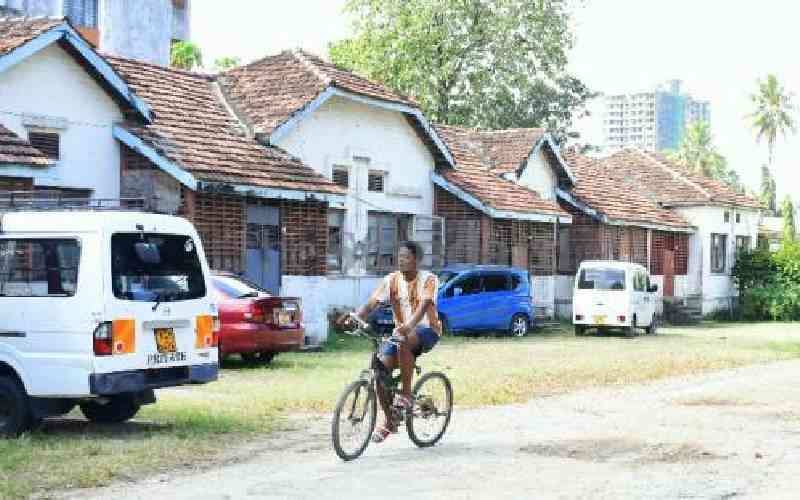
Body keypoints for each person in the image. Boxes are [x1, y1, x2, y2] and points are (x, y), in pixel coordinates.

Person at [345, 241, 441, 443]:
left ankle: (406, 394)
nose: (401, 260)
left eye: (406, 257)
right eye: (400, 257)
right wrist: (356, 317)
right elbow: (372, 303)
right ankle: (390, 421)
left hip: (427, 330)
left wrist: (408, 325)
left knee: (403, 338)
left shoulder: (429, 279)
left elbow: (423, 307)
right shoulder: (391, 280)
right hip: (400, 334)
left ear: (417, 260)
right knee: (379, 370)